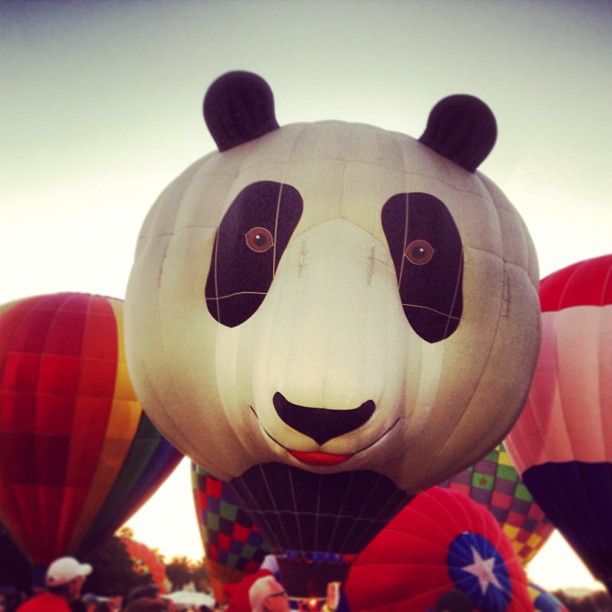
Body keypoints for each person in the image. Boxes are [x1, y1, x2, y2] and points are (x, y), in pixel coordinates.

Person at [17, 556, 92, 611]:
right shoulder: (62, 609)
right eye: (80, 579)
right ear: (70, 587)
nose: (83, 582)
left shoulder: (26, 607)